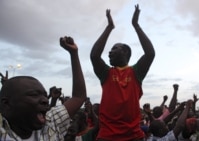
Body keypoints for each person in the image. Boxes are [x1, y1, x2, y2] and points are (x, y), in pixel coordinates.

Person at [0, 36, 87, 140]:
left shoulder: (51, 123)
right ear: (6, 104)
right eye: (34, 95)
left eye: (45, 96)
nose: (45, 100)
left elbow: (78, 97)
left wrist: (73, 53)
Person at [90, 4, 155, 141]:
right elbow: (94, 55)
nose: (110, 52)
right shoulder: (106, 73)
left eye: (114, 49)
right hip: (107, 136)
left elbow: (150, 53)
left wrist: (136, 25)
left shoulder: (136, 72)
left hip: (133, 136)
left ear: (125, 52)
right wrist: (109, 28)